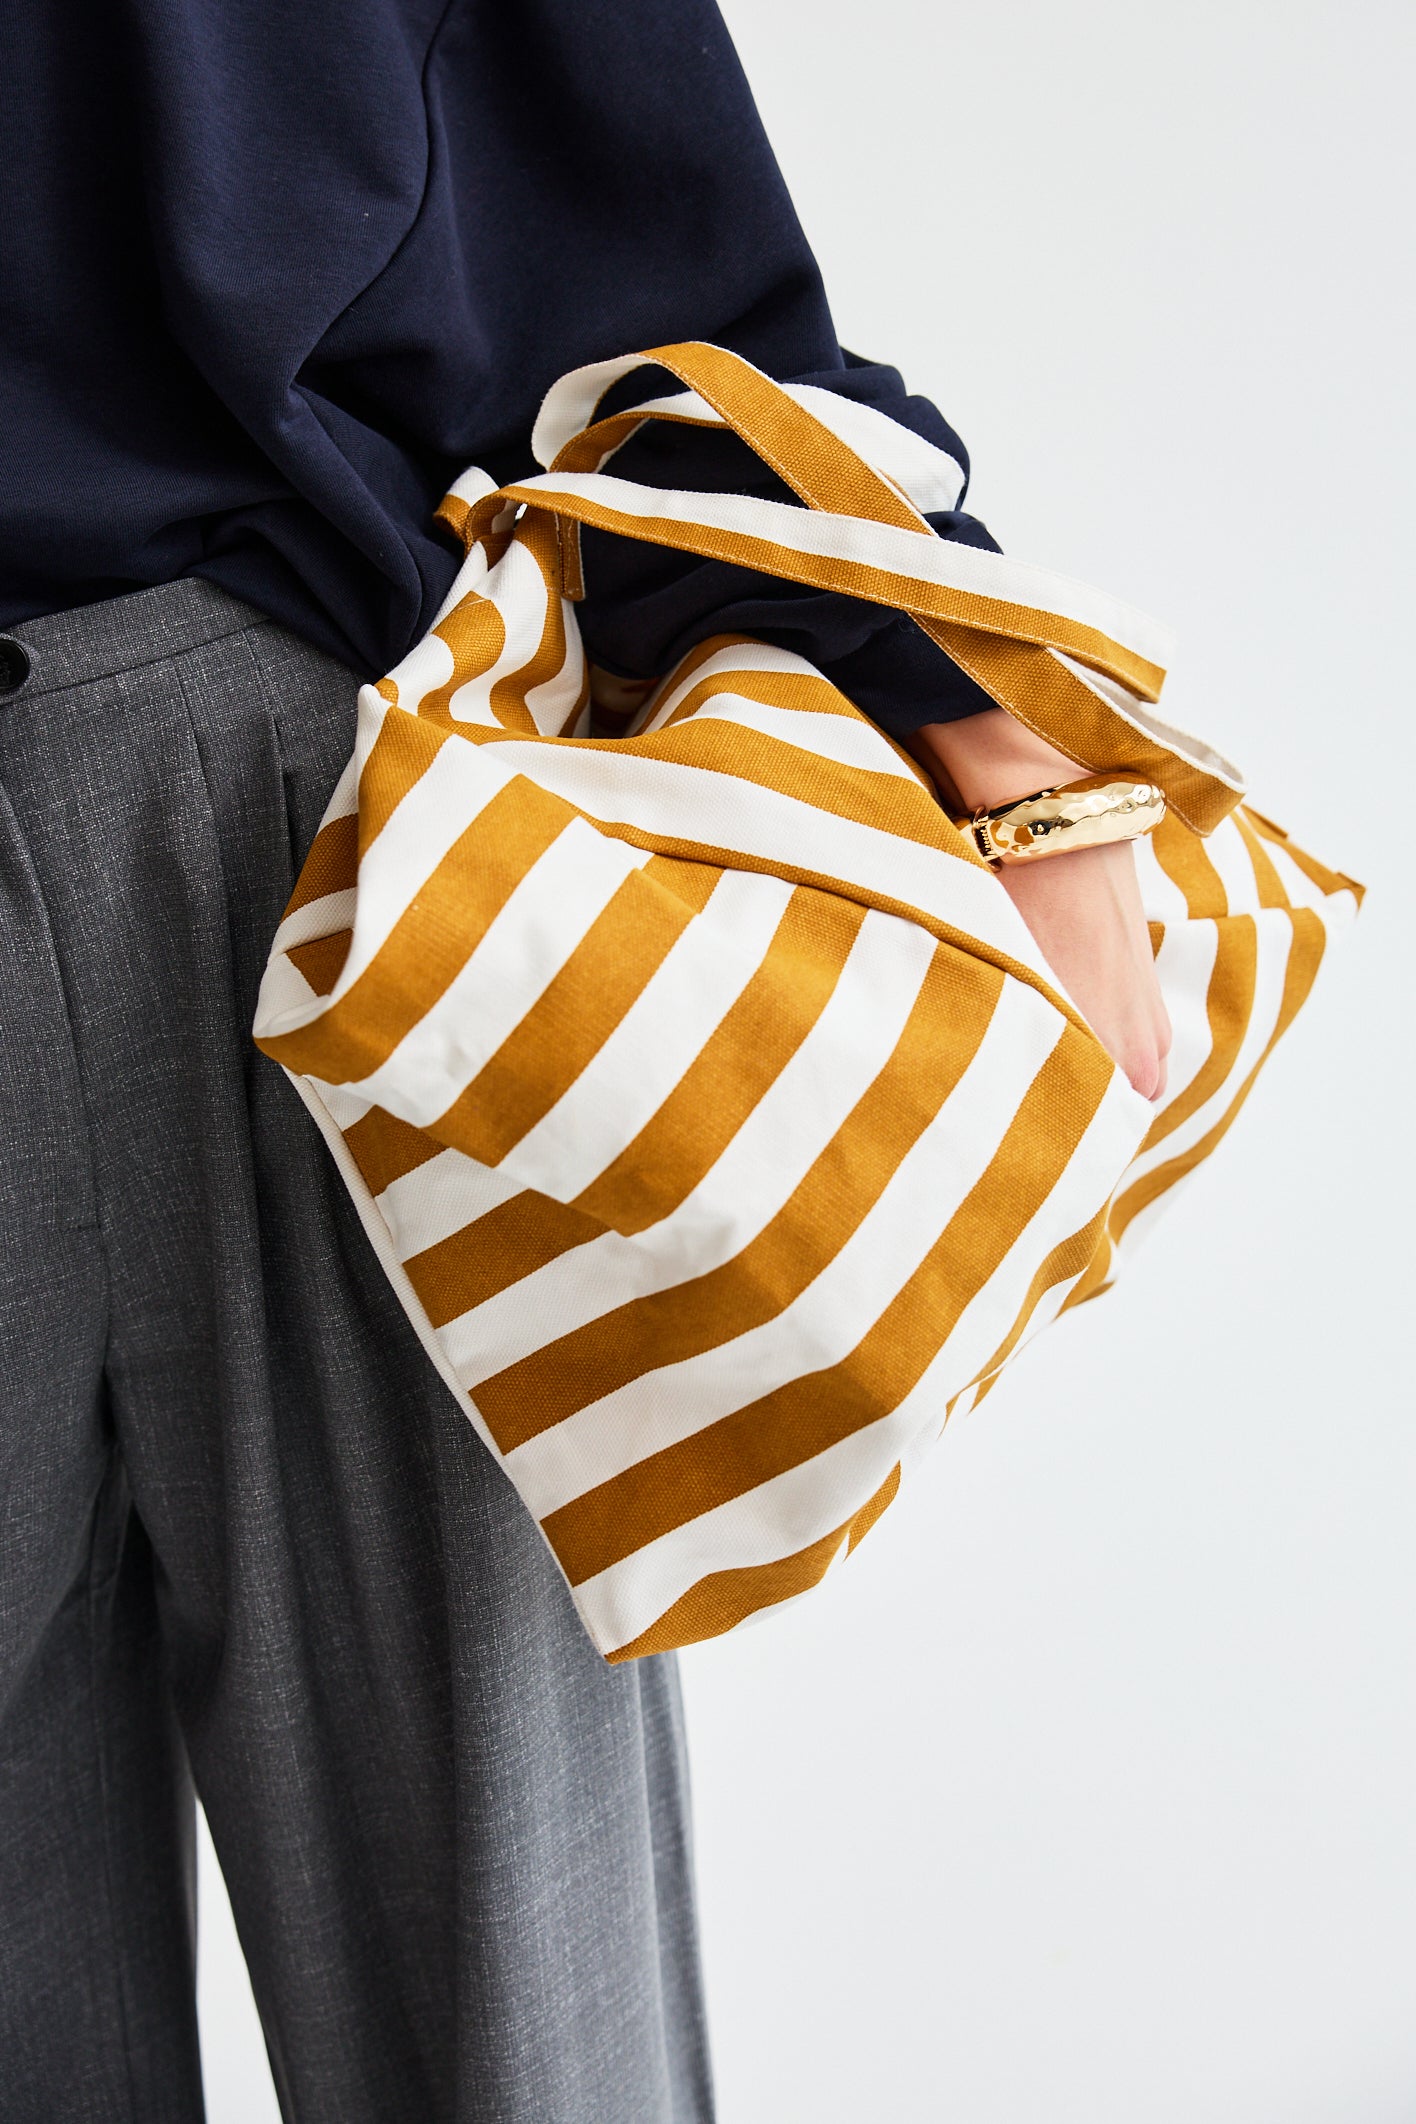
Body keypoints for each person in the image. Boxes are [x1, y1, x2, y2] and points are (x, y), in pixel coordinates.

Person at [0, 1, 1167, 2117]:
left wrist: (977, 720)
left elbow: (630, 219)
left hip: (318, 849)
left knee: (524, 1992)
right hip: (286, 794)